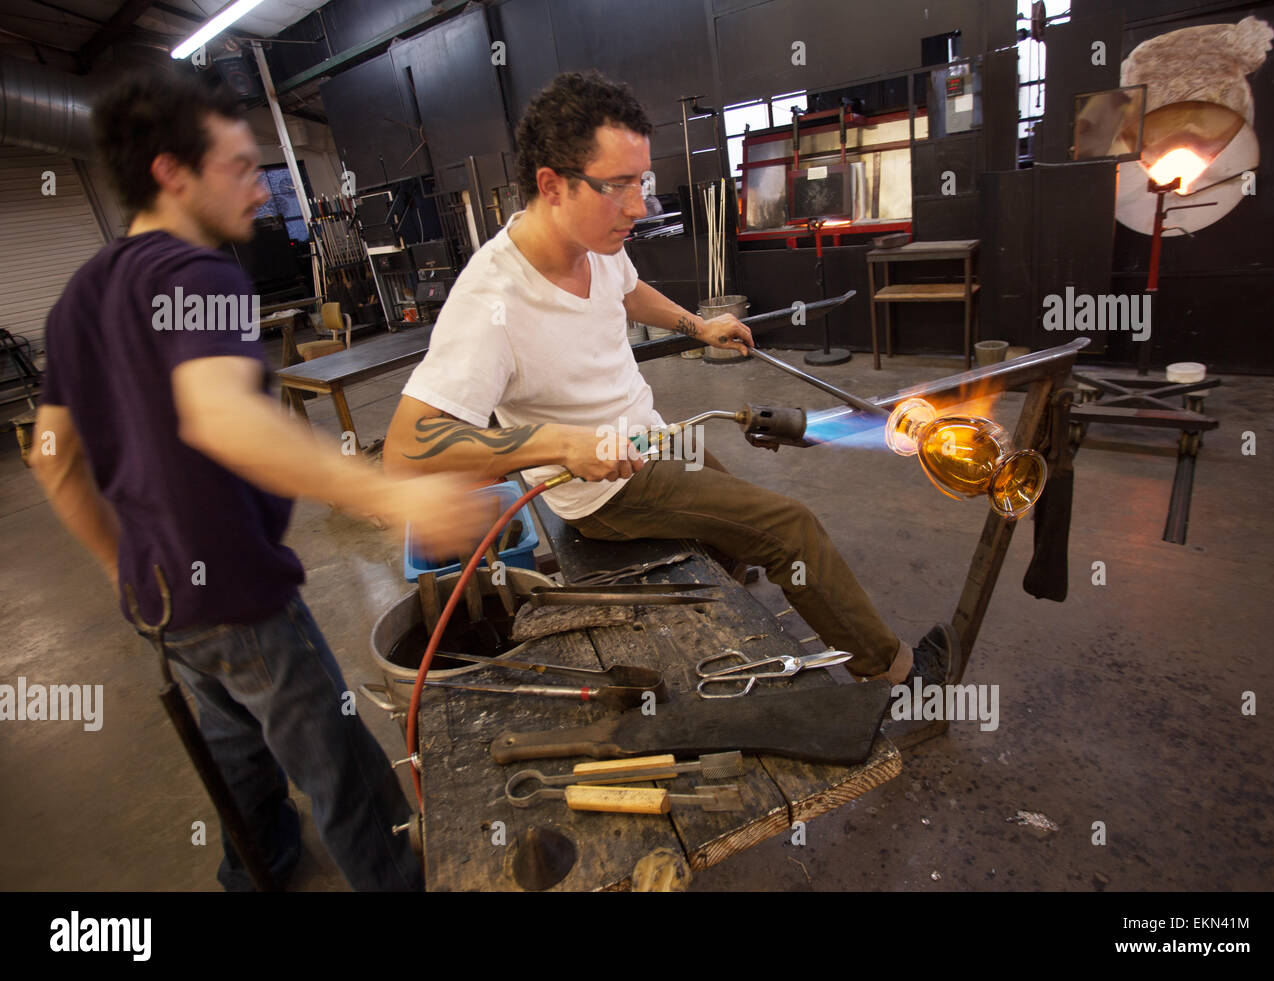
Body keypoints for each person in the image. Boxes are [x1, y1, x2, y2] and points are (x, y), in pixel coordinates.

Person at [30, 68, 487, 891]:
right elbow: (223, 417)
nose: (260, 189)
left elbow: (51, 459)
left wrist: (121, 568)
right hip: (241, 598)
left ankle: (257, 867)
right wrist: (389, 491)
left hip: (163, 601)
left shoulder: (78, 299)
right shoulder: (202, 278)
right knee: (343, 771)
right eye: (240, 167)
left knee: (236, 744)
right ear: (173, 172)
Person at [382, 70, 956, 693]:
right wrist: (558, 445)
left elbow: (628, 291)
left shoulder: (597, 239)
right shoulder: (491, 301)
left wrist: (696, 324)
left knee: (740, 521)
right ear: (551, 184)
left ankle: (722, 624)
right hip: (605, 488)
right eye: (617, 186)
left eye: (642, 183)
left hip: (656, 438)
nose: (638, 206)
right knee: (788, 527)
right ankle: (900, 680)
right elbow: (408, 449)